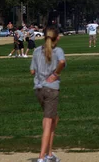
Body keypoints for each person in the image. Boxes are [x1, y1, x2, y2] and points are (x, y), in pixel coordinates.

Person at [30, 26, 66, 162]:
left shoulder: (37, 51)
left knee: (53, 119)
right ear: (57, 38)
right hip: (51, 89)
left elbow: (32, 71)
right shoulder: (58, 51)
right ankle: (42, 157)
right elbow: (62, 62)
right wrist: (55, 73)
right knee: (48, 121)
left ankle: (49, 154)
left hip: (38, 89)